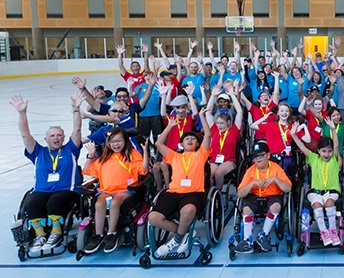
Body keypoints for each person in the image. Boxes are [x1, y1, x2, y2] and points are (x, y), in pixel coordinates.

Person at [11, 93, 83, 253]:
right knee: (32, 203)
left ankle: (56, 233)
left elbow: (77, 129)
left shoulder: (70, 150)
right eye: (52, 136)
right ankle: (40, 235)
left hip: (67, 190)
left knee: (54, 201)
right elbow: (25, 135)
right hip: (42, 190)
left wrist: (76, 109)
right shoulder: (38, 152)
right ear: (46, 139)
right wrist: (22, 113)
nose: (56, 138)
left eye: (59, 135)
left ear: (63, 138)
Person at [149, 107, 212, 257]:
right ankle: (183, 233)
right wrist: (169, 127)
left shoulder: (200, 155)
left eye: (193, 139)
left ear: (197, 144)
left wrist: (202, 116)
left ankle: (176, 239)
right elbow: (158, 144)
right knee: (153, 218)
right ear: (181, 144)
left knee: (188, 210)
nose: (190, 140)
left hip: (193, 193)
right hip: (173, 193)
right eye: (186, 139)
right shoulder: (174, 156)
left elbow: (208, 134)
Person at [81, 128, 148, 253]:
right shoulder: (104, 158)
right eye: (112, 142)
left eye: (118, 141)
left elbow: (143, 170)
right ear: (108, 143)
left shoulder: (132, 154)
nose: (115, 145)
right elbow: (87, 170)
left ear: (125, 141)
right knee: (99, 204)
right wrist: (90, 156)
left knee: (115, 203)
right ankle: (98, 235)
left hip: (125, 191)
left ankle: (112, 233)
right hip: (105, 191)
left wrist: (145, 153)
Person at [291, 121, 342, 247]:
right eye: (323, 151)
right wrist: (293, 135)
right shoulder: (313, 158)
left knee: (329, 203)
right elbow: (302, 148)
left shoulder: (335, 160)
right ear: (318, 151)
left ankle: (333, 231)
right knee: (318, 206)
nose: (327, 154)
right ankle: (324, 232)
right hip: (315, 192)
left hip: (332, 191)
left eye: (329, 151)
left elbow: (336, 145)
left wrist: (333, 130)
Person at [235, 143, 292, 253]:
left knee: (276, 207)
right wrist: (252, 184)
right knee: (246, 209)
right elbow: (240, 193)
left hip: (272, 196)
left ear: (268, 155)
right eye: (256, 156)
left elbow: (288, 188)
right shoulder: (250, 171)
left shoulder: (276, 169)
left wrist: (276, 179)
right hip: (255, 196)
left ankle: (263, 235)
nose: (258, 158)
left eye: (261, 155)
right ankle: (247, 240)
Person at [204, 86, 243, 192]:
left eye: (222, 123)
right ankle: (210, 194)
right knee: (209, 173)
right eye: (218, 123)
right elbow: (208, 113)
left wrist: (232, 95)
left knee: (219, 173)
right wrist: (212, 96)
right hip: (214, 160)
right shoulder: (214, 130)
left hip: (229, 161)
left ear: (228, 123)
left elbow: (239, 112)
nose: (219, 125)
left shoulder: (233, 131)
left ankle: (219, 194)